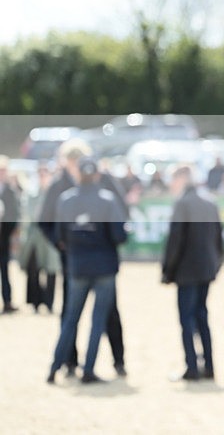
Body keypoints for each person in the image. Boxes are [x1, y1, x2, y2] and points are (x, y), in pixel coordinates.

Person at [39, 139, 128, 376]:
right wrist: (63, 246)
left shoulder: (103, 182)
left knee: (107, 313)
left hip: (86, 259)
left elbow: (121, 214)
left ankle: (117, 360)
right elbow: (46, 223)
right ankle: (72, 362)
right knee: (73, 313)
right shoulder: (60, 187)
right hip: (77, 260)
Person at [162, 165, 223, 381]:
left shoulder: (182, 203)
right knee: (202, 317)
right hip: (205, 269)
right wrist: (216, 265)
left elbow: (175, 241)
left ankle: (191, 367)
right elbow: (218, 237)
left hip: (186, 271)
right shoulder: (209, 201)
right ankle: (209, 366)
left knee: (186, 320)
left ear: (182, 178)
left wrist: (167, 270)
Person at [18, 164, 60, 313]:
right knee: (33, 269)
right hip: (35, 236)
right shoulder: (32, 193)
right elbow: (29, 213)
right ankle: (35, 301)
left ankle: (49, 302)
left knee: (51, 270)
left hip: (49, 236)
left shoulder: (54, 193)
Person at [0, 155, 20, 313]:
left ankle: (7, 300)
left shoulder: (10, 191)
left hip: (3, 238)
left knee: (5, 271)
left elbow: (14, 214)